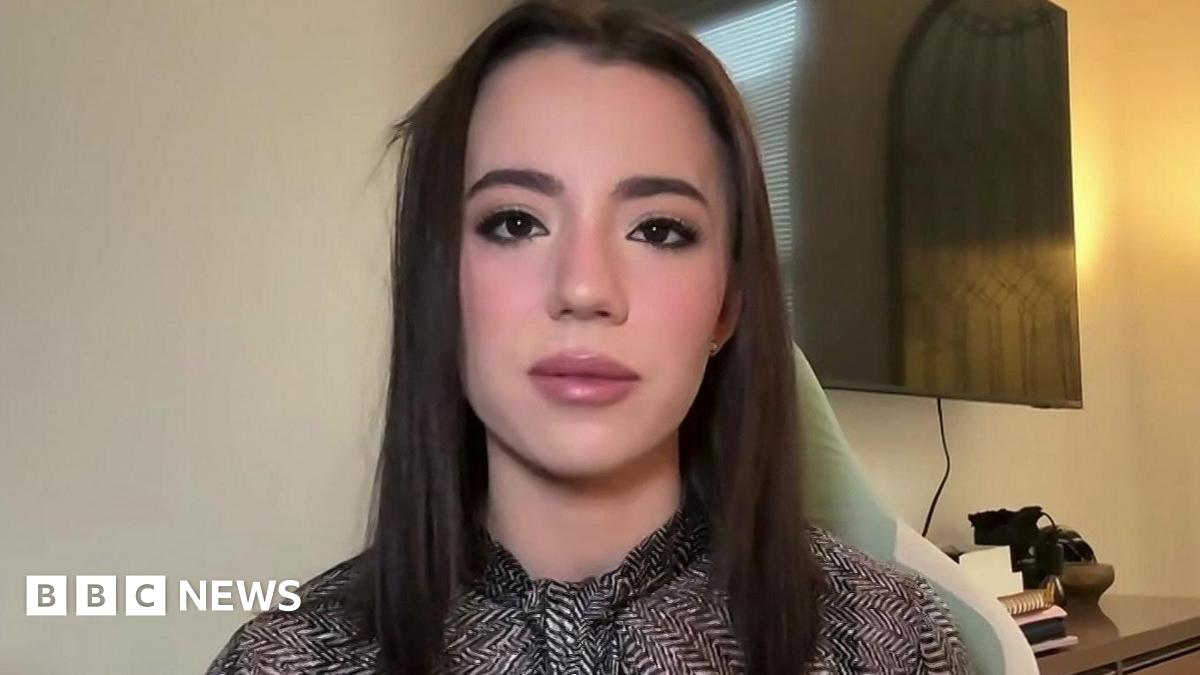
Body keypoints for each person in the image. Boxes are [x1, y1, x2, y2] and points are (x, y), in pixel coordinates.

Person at [205, 1, 973, 673]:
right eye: (515, 222)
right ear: (438, 281)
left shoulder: (892, 642)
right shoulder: (286, 660)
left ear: (728, 303)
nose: (584, 288)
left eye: (659, 229)